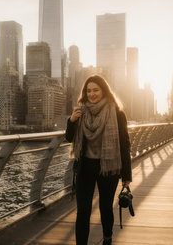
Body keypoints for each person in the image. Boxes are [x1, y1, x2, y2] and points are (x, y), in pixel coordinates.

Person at [65, 75, 132, 245]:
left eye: (96, 90)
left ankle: (107, 238)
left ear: (104, 90)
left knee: (105, 207)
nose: (92, 94)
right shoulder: (80, 112)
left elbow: (125, 145)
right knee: (83, 211)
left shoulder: (117, 113)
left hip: (108, 167)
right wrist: (71, 121)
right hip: (85, 166)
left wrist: (126, 176)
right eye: (88, 91)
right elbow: (69, 138)